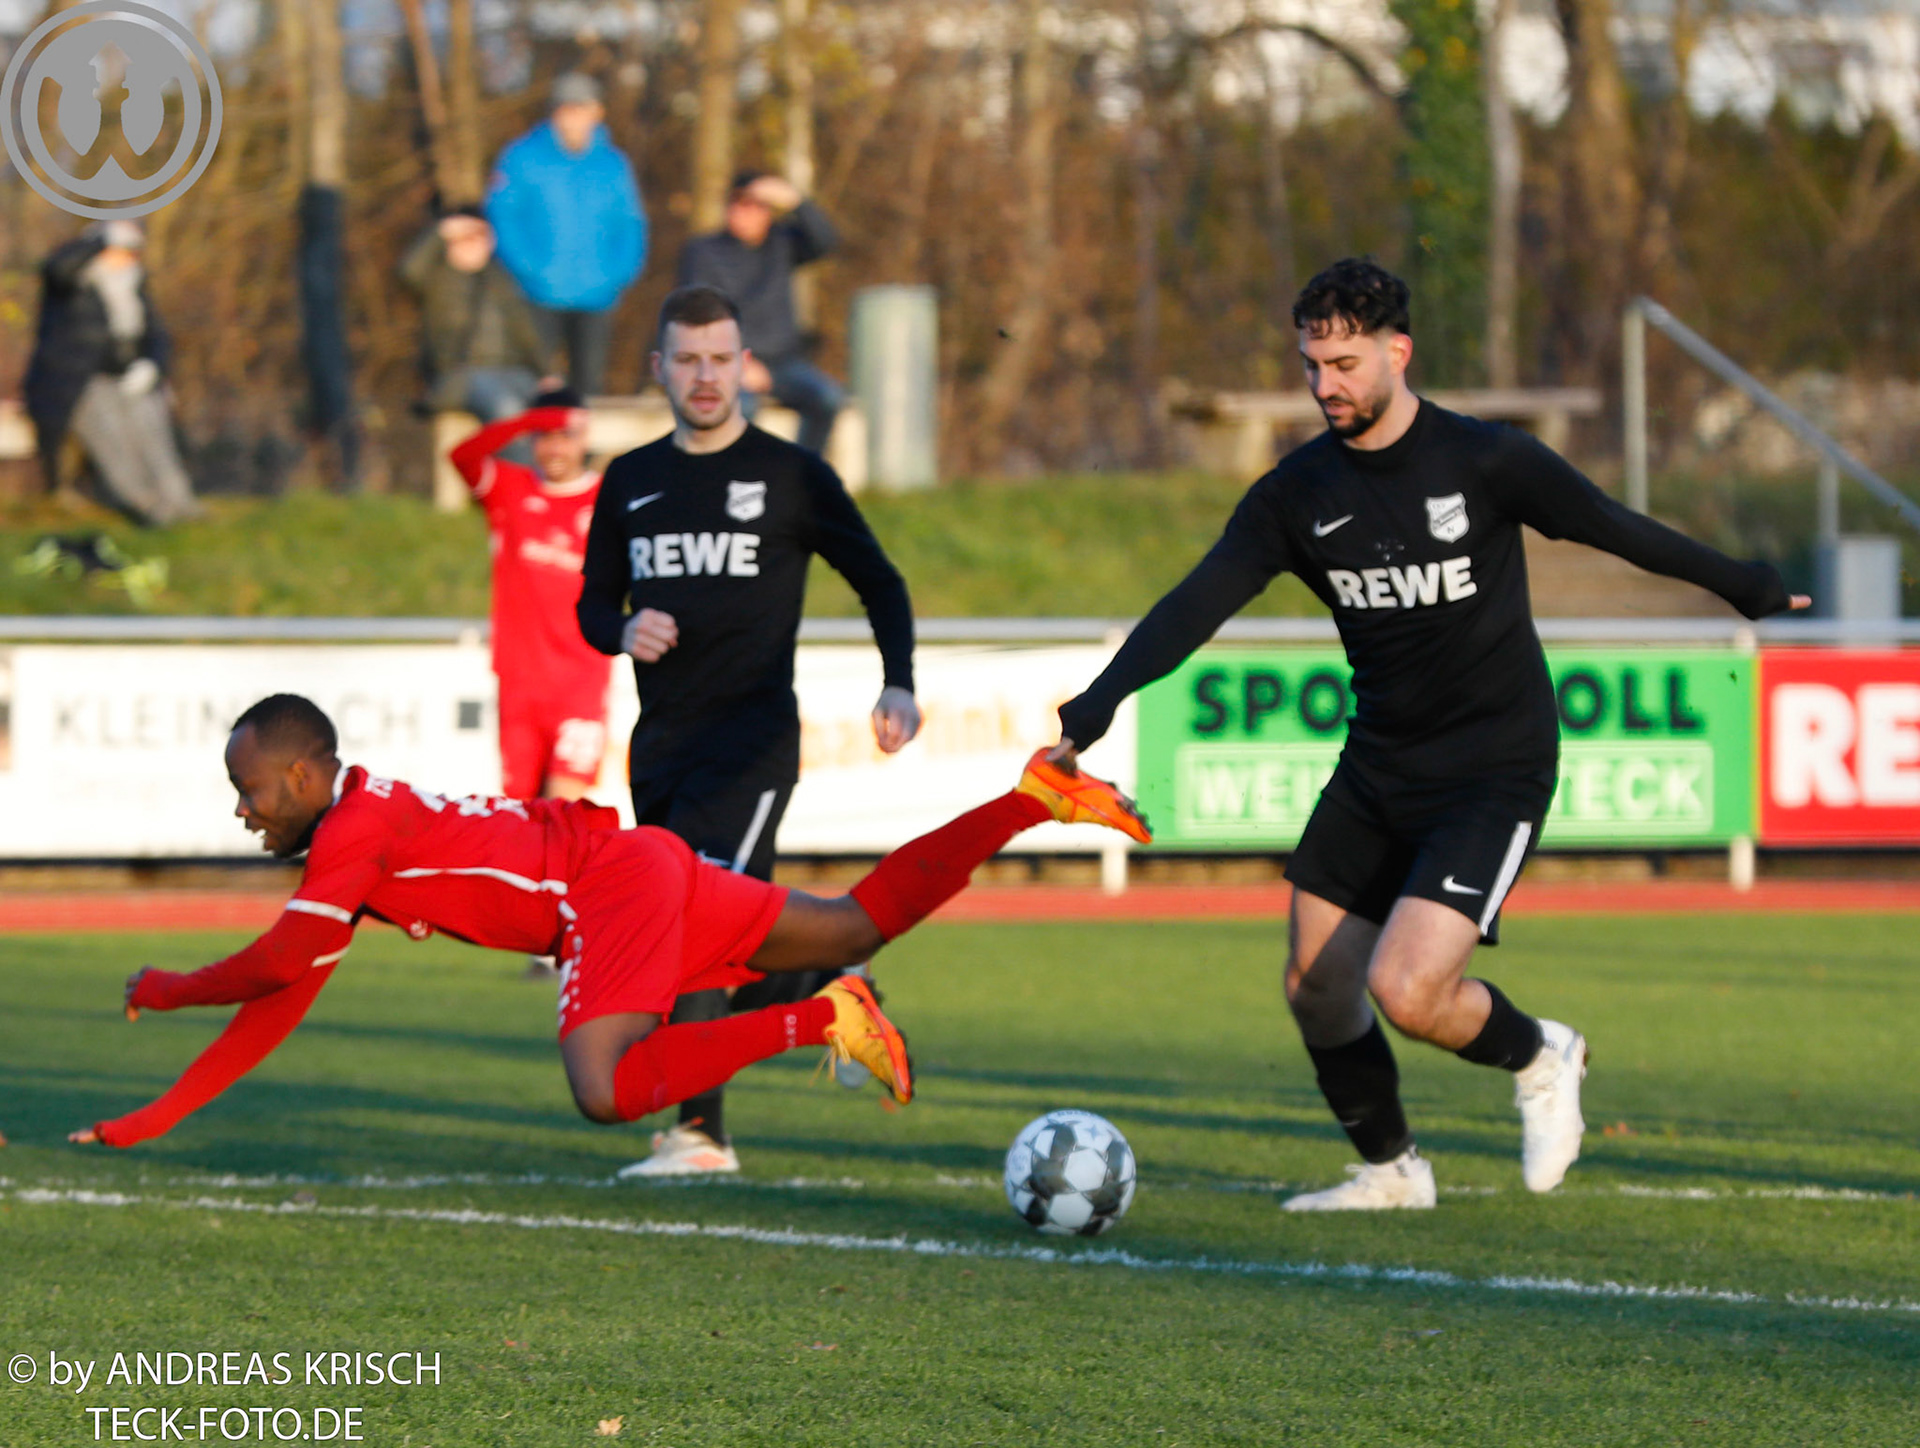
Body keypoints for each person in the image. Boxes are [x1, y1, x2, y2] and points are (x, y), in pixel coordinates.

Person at [1049, 258, 1810, 1212]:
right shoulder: (1296, 494)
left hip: (1494, 765)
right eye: (1312, 365)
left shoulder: (1487, 461)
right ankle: (1392, 1172)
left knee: (1407, 991)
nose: (1325, 385)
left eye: (1345, 364)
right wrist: (1098, 704)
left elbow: (1613, 527)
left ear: (1398, 352)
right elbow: (1194, 604)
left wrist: (1747, 586)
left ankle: (1542, 1055)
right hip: (1380, 763)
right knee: (1315, 985)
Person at [67, 695, 1149, 1150]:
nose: (244, 808)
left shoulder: (351, 831)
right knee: (850, 925)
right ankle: (1035, 798)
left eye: (250, 787)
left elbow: (276, 959)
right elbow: (282, 995)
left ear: (303, 774)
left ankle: (823, 1021)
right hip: (634, 863)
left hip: (606, 891)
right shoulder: (355, 834)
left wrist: (166, 987)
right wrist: (147, 1121)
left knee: (605, 1085)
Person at [574, 283, 918, 1176]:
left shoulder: (790, 475)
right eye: (688, 359)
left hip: (752, 744)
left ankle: (702, 1134)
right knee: (694, 937)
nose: (705, 376)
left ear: (745, 367)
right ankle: (828, 989)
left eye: (720, 359)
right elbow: (590, 604)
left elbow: (880, 581)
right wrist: (622, 630)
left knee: (694, 922)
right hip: (661, 750)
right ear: (660, 368)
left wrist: (899, 683)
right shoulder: (631, 480)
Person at [448, 387, 612, 804]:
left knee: (564, 811)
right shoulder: (510, 488)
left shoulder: (608, 500)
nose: (555, 448)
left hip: (581, 684)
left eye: (565, 436)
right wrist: (525, 421)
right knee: (521, 813)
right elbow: (461, 456)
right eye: (544, 437)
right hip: (519, 685)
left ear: (585, 437)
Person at [23, 220, 202, 527]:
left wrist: (152, 366)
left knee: (154, 440)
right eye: (119, 250)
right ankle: (148, 508)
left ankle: (181, 504)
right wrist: (101, 239)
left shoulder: (134, 286)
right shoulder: (73, 283)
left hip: (132, 377)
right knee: (114, 445)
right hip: (80, 382)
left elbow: (157, 334)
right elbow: (56, 267)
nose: (126, 259)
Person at [486, 72, 647, 398]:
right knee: (534, 386)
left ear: (597, 112)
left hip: (598, 295)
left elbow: (631, 223)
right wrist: (529, 268)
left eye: (581, 108)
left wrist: (618, 273)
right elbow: (502, 216)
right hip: (536, 294)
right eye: (566, 109)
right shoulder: (521, 157)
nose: (573, 117)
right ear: (554, 112)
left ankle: (584, 434)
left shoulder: (613, 164)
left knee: (590, 391)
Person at [676, 172, 841, 453]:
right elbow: (698, 316)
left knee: (828, 399)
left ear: (768, 212)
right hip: (724, 363)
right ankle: (737, 475)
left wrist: (796, 201)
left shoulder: (782, 244)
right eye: (740, 204)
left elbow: (826, 242)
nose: (746, 213)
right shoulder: (703, 252)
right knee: (742, 409)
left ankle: (802, 471)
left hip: (783, 362)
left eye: (757, 205)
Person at [399, 208, 551, 421]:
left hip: (513, 371)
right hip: (461, 375)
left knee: (559, 410)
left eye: (480, 236)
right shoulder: (436, 278)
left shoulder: (502, 279)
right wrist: (441, 232)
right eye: (466, 237)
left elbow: (525, 332)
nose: (474, 243)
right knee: (506, 409)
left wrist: (548, 374)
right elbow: (408, 271)